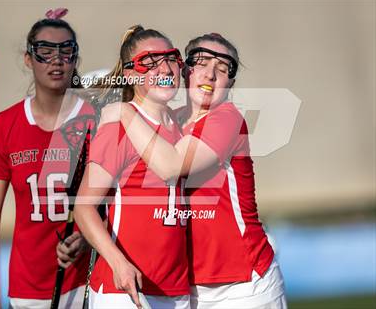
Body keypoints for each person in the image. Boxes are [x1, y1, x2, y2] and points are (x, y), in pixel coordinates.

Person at [100, 33, 287, 309]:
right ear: (185, 70)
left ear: (230, 84)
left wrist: (125, 113)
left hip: (246, 287)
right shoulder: (168, 123)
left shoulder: (227, 118)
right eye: (202, 63)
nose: (211, 74)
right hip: (190, 291)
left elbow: (170, 167)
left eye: (222, 70)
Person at [0, 9, 93, 309]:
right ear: (28, 59)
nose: (56, 60)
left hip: (89, 284)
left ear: (75, 59)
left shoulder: (96, 120)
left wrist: (88, 238)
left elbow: (117, 203)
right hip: (28, 289)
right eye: (44, 51)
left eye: (66, 51)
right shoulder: (7, 124)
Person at [73, 25, 190, 309]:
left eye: (170, 58)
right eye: (149, 63)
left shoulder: (184, 123)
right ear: (130, 74)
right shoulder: (118, 127)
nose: (164, 69)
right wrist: (118, 263)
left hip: (177, 291)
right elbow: (83, 207)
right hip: (126, 291)